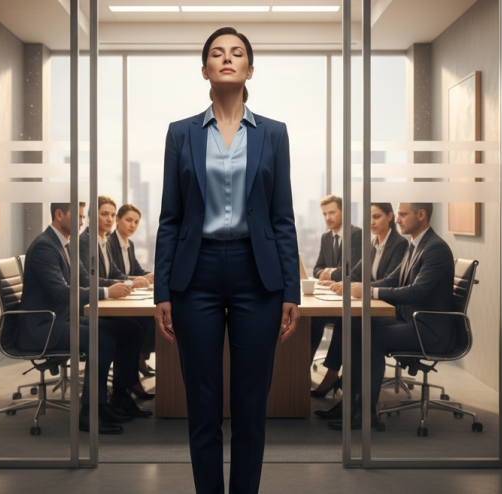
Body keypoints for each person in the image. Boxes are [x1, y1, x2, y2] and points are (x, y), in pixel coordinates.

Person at [153, 27, 301, 494]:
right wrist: (162, 291)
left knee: (250, 402)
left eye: (237, 53)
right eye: (217, 53)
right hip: (194, 275)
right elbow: (170, 217)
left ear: (250, 69)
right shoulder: (181, 133)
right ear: (205, 71)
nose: (227, 58)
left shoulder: (273, 133)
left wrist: (290, 290)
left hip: (256, 275)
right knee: (203, 400)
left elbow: (282, 216)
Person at [323, 203, 455, 431]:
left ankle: (365, 414)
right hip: (410, 320)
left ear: (421, 215)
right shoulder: (416, 244)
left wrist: (370, 291)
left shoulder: (435, 249)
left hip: (429, 330)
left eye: (403, 214)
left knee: (372, 337)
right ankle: (349, 403)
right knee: (354, 325)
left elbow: (417, 291)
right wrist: (360, 286)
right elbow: (394, 280)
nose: (397, 220)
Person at [17, 202, 146, 435]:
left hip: (62, 319)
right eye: (77, 216)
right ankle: (90, 412)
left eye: (82, 216)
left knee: (130, 329)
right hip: (45, 326)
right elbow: (61, 292)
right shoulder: (45, 247)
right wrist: (107, 292)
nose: (81, 222)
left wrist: (123, 285)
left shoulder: (66, 245)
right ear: (58, 215)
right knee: (103, 339)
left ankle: (119, 396)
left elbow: (86, 280)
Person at [313, 203, 409, 419]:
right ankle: (341, 388)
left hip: (390, 307)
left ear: (390, 217)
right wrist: (341, 282)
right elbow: (358, 271)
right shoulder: (374, 243)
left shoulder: (399, 244)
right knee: (345, 323)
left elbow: (392, 280)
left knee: (353, 328)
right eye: (369, 218)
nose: (371, 222)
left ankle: (350, 398)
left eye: (376, 217)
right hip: (375, 300)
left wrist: (364, 288)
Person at [80, 196, 155, 400]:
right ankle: (119, 392)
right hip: (85, 306)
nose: (110, 219)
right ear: (90, 216)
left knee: (135, 327)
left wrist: (133, 281)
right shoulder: (85, 242)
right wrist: (130, 283)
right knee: (134, 327)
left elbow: (115, 273)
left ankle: (123, 389)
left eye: (112, 215)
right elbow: (88, 279)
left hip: (99, 301)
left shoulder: (102, 241)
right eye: (105, 214)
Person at [309, 195, 362, 380]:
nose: (327, 217)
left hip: (350, 298)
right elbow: (316, 269)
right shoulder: (326, 237)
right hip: (331, 296)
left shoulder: (356, 234)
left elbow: (352, 270)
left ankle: (330, 374)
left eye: (332, 212)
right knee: (312, 319)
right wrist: (331, 273)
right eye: (324, 214)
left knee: (322, 320)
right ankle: (301, 368)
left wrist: (330, 273)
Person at [108, 203, 156, 381]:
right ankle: (136, 363)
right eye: (129, 220)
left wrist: (149, 276)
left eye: (136, 222)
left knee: (150, 319)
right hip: (115, 297)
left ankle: (140, 360)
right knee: (144, 322)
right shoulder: (110, 243)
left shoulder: (130, 244)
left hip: (125, 292)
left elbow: (135, 269)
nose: (133, 225)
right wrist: (133, 281)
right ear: (117, 220)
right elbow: (116, 275)